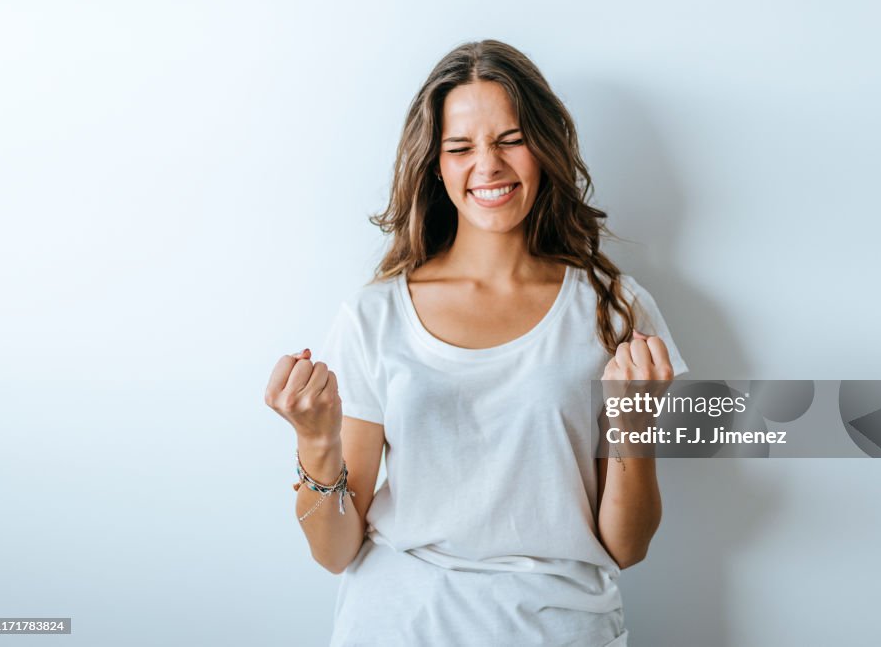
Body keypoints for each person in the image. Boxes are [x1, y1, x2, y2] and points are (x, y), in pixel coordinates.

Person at [264, 39, 688, 647]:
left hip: (562, 629)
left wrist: (633, 424)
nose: (487, 166)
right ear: (435, 164)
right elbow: (334, 551)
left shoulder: (615, 308)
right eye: (460, 147)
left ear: (544, 148)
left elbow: (628, 545)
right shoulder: (374, 314)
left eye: (510, 140)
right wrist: (314, 441)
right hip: (396, 624)